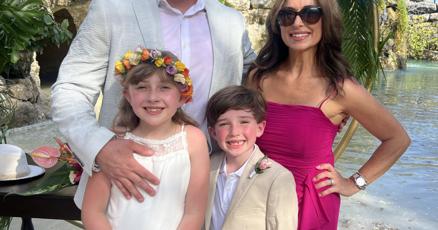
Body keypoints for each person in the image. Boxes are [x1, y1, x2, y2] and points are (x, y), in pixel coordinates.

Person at [51, 0, 256, 208]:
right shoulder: (112, 8)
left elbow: (260, 81)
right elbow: (72, 87)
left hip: (205, 191)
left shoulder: (231, 22)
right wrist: (100, 147)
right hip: (124, 187)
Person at [245, 0, 411, 229]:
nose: (297, 22)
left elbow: (397, 139)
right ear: (277, 24)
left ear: (327, 21)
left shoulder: (342, 89)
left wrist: (354, 183)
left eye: (310, 14)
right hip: (257, 197)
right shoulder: (258, 78)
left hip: (310, 206)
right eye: (287, 15)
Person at [81, 48, 209, 229]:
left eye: (164, 88)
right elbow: (93, 211)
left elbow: (194, 213)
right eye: (142, 87)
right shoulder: (114, 143)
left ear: (182, 97)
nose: (153, 97)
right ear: (128, 95)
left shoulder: (193, 140)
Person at [203, 85, 298, 230]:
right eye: (224, 124)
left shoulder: (278, 178)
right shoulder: (207, 166)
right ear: (213, 133)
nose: (234, 132)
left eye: (244, 122)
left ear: (260, 128)